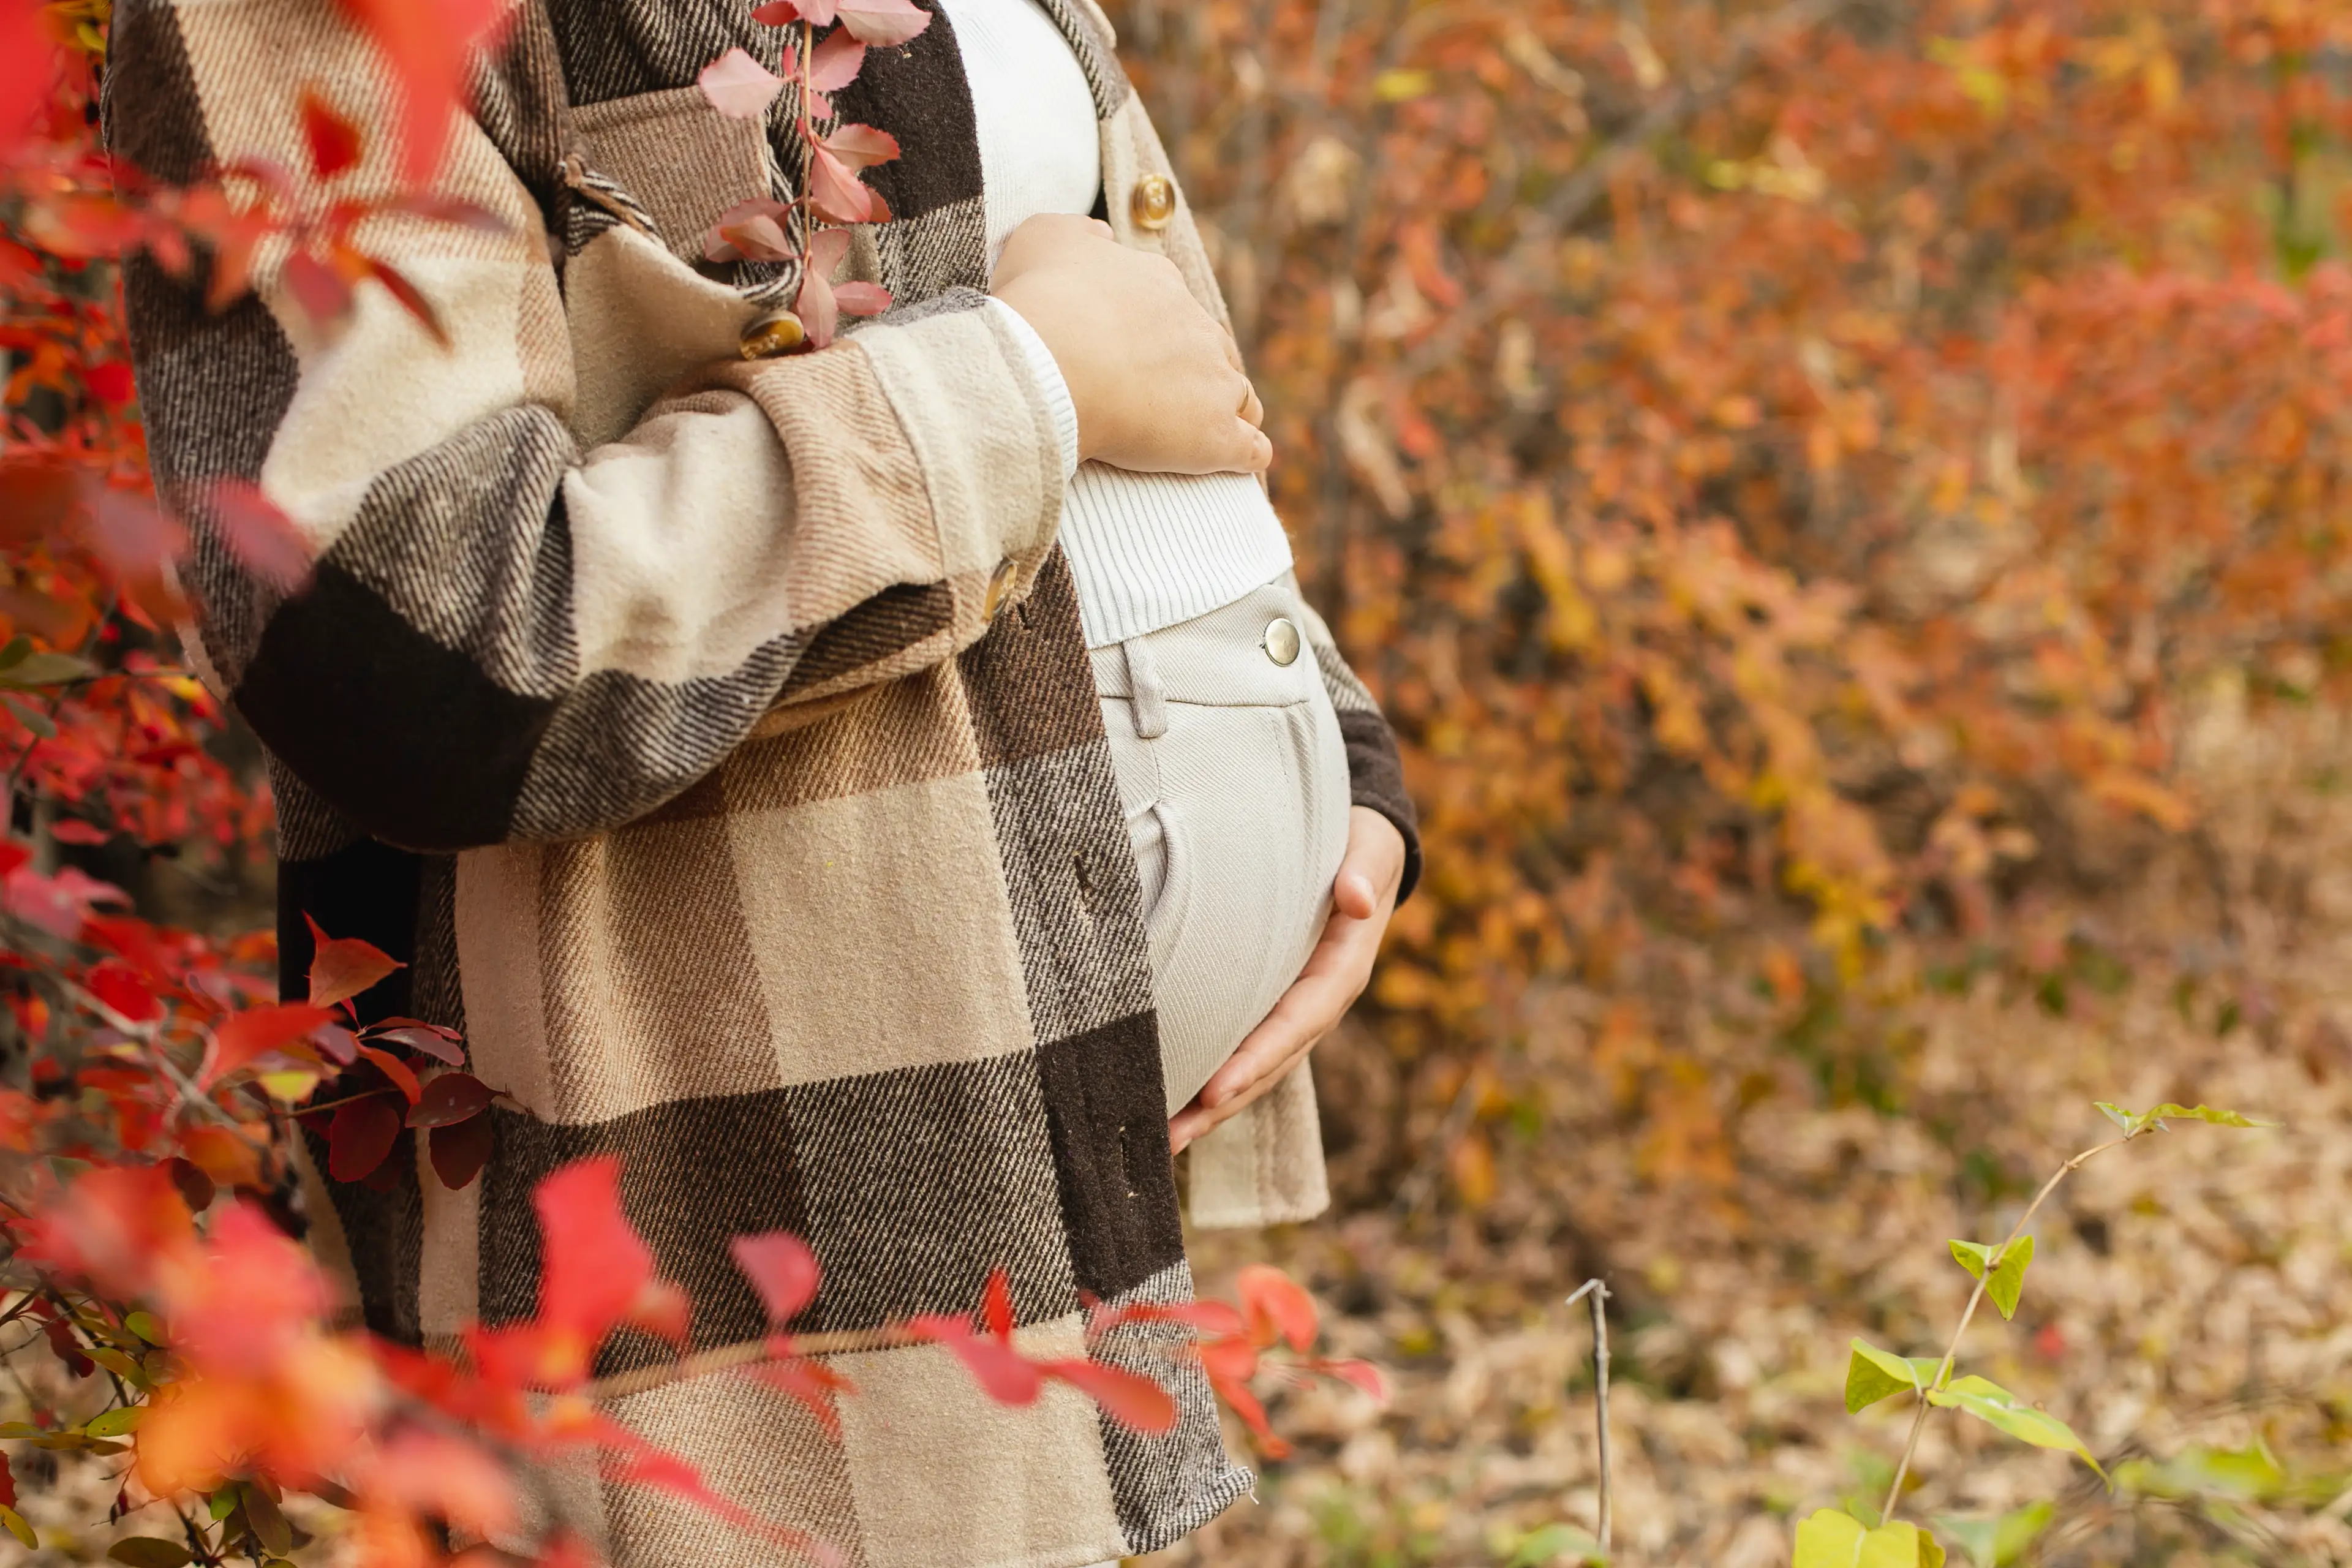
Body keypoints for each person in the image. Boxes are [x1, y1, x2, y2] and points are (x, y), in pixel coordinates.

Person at [104, 0, 1419, 1558]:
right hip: (718, 1244)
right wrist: (1020, 386)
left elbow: (1150, 348)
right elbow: (415, 643)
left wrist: (1335, 753)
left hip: (1063, 1167)